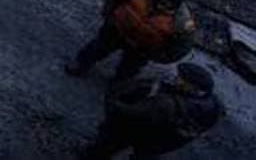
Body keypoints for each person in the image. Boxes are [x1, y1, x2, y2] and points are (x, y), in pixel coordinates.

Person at [79, 65, 224, 159]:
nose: (175, 78)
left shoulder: (165, 104)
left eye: (180, 78)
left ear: (190, 87)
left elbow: (128, 114)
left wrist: (112, 101)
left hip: (140, 130)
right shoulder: (213, 105)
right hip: (165, 141)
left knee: (108, 144)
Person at [68, 0, 197, 81]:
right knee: (97, 48)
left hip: (141, 48)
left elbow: (181, 47)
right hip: (117, 30)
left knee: (129, 69)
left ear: (168, 1)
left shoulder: (181, 23)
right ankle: (81, 64)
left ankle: (119, 85)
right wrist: (108, 17)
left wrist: (156, 56)